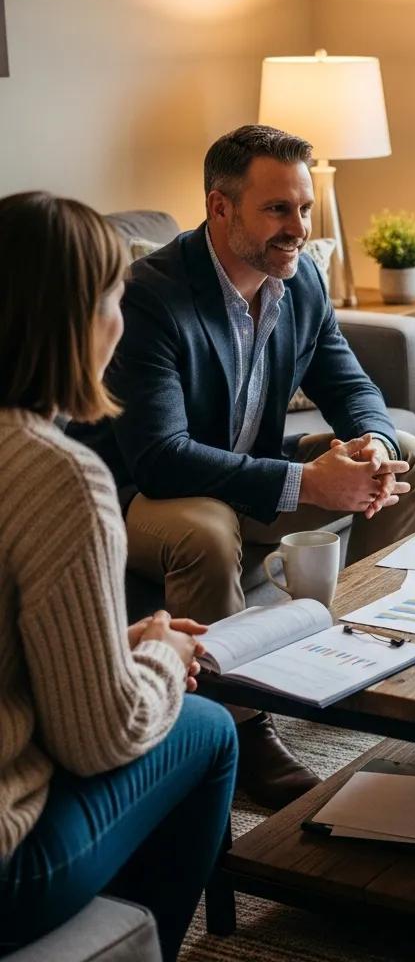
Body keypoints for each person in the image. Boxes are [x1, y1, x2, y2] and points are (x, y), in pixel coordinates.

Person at [70, 125, 415, 809]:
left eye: (302, 209)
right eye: (278, 210)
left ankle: (365, 660)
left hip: (243, 470)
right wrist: (306, 482)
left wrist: (374, 446)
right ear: (220, 208)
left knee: (410, 456)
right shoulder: (151, 296)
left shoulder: (300, 282)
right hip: (142, 492)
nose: (297, 227)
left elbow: (350, 386)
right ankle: (242, 734)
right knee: (205, 528)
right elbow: (161, 456)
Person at [0, 191, 237, 959]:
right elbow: (101, 737)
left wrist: (109, 640)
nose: (121, 320)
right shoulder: (56, 474)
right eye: (113, 297)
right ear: (73, 320)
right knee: (208, 729)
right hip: (6, 871)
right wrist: (162, 656)